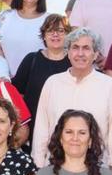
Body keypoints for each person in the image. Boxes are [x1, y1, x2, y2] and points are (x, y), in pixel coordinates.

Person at [31, 28, 112, 173]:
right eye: (75, 48)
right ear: (68, 53)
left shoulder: (109, 85)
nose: (80, 53)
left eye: (86, 48)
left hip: (97, 168)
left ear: (96, 54)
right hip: (55, 167)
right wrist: (38, 164)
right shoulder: (53, 83)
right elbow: (42, 127)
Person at [11, 13, 72, 144]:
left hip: (68, 132)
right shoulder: (31, 60)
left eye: (61, 30)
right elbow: (16, 94)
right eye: (50, 30)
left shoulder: (74, 62)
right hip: (34, 132)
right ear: (44, 35)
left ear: (68, 35)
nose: (55, 34)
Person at [0, 0, 49, 74]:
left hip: (40, 84)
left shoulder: (49, 20)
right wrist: (5, 74)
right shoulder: (5, 16)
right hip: (7, 82)